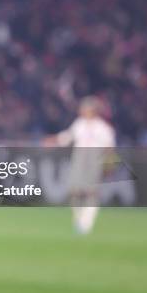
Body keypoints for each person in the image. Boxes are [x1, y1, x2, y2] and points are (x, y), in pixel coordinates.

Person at [44, 96, 116, 235]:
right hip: (79, 158)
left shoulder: (103, 128)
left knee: (91, 192)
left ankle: (87, 222)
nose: (83, 111)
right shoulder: (80, 124)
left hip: (94, 159)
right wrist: (53, 141)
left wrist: (109, 165)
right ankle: (79, 219)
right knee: (74, 190)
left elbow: (109, 148)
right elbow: (67, 137)